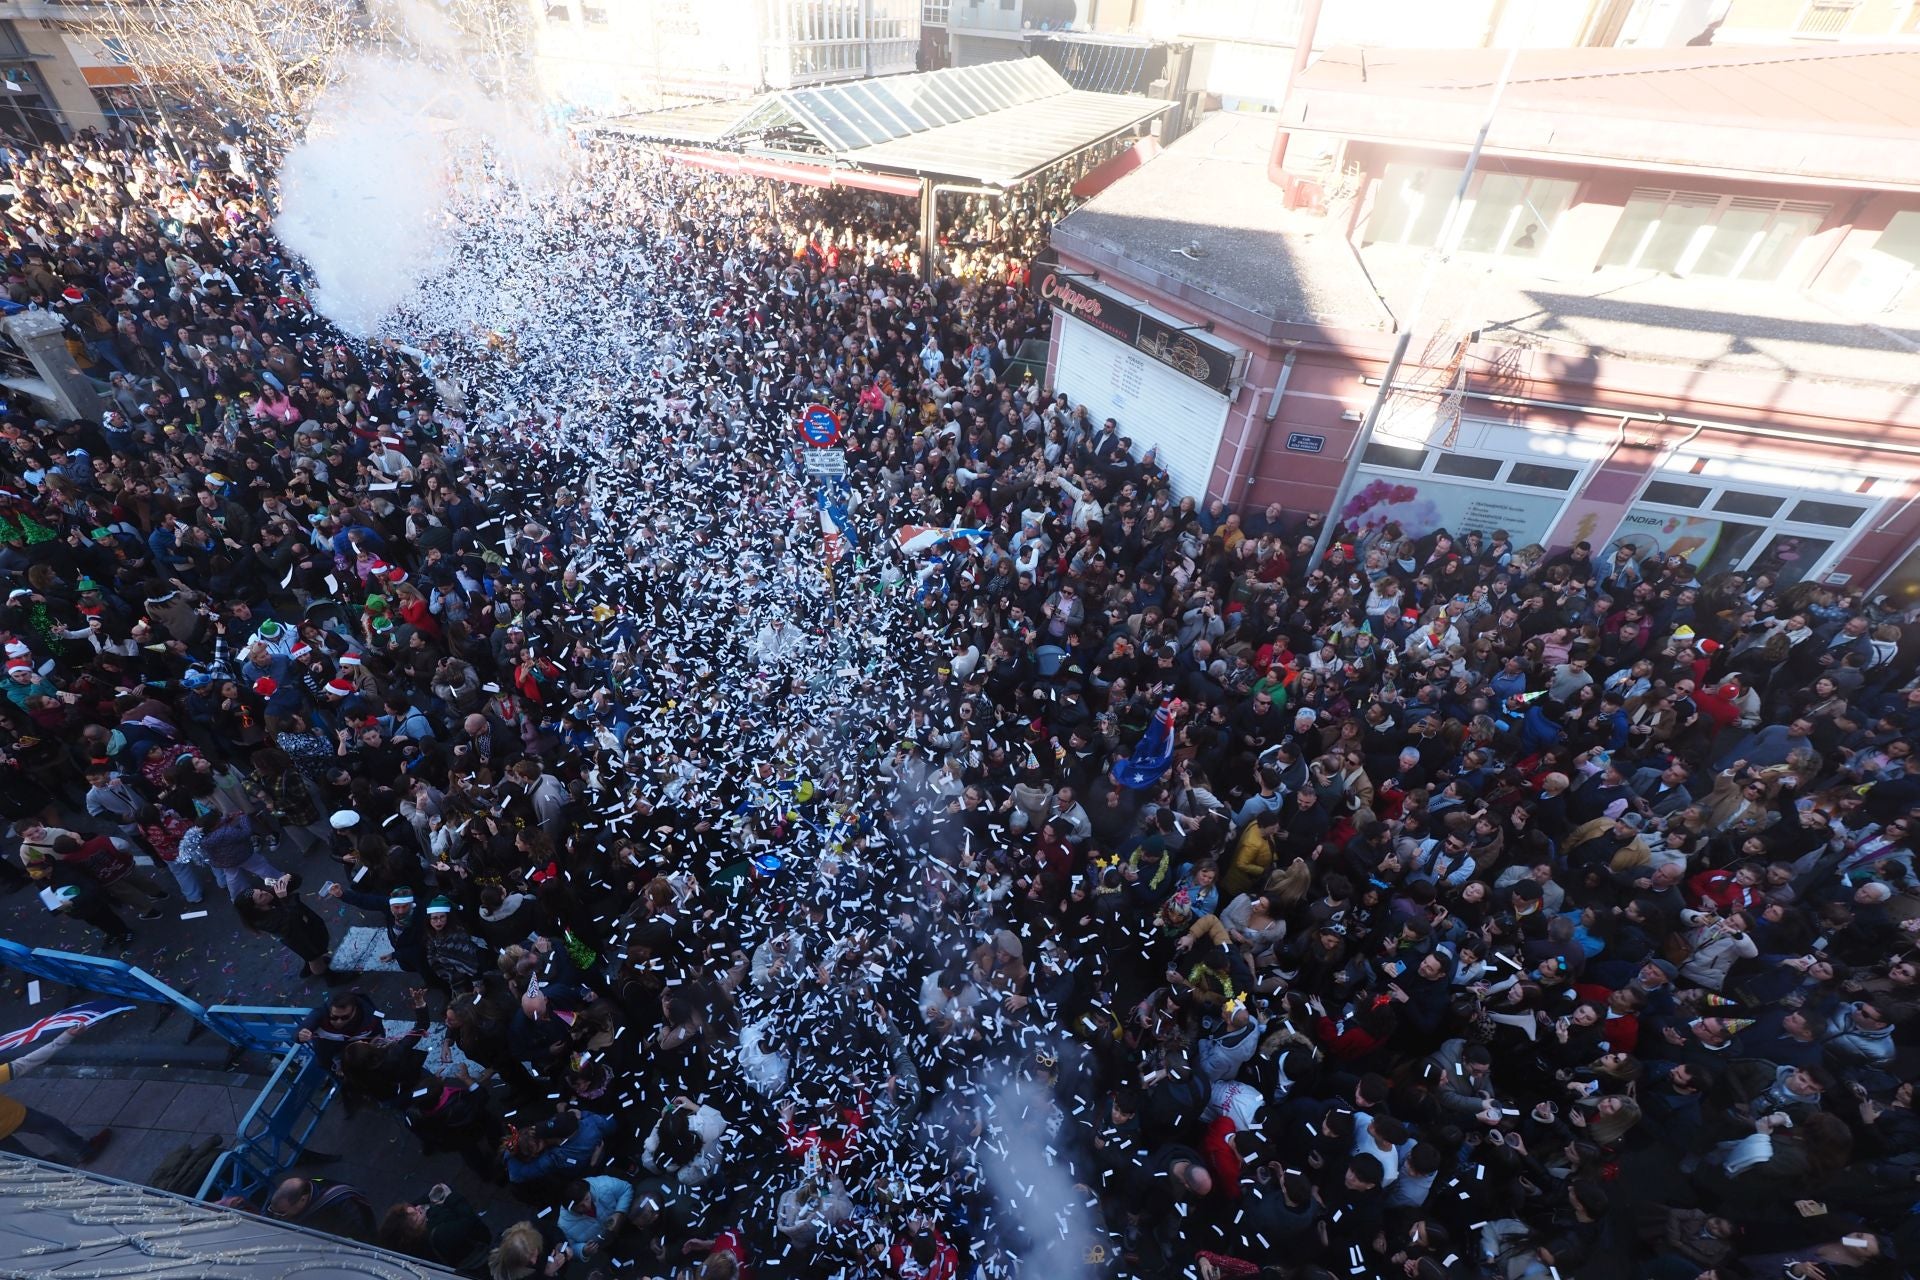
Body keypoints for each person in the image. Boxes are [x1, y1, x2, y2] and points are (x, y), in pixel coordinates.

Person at [0, 1025, 111, 1164]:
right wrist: (65, 1037)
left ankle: (50, 1171)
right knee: (49, 1126)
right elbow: (24, 1064)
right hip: (13, 1115)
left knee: (22, 1158)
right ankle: (83, 1151)